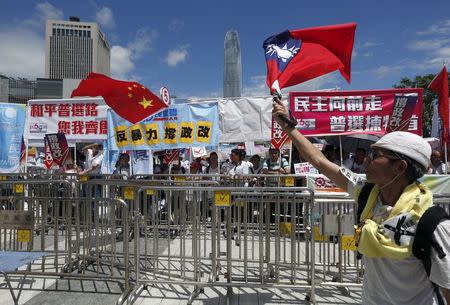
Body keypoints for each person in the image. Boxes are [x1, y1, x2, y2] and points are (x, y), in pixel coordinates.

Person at [272, 99, 450, 305]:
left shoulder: (433, 224)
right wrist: (287, 125)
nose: (366, 159)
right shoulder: (366, 192)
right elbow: (319, 161)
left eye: (375, 155)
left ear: (400, 167)